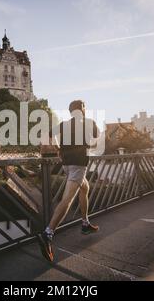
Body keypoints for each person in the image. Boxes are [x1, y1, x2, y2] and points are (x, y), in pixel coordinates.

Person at [38, 100, 100, 262]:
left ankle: (85, 223)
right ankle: (48, 234)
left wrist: (58, 149)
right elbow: (97, 138)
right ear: (82, 109)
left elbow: (47, 135)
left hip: (66, 164)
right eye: (85, 107)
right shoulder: (88, 122)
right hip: (78, 165)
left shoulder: (64, 124)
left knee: (84, 188)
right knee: (68, 199)